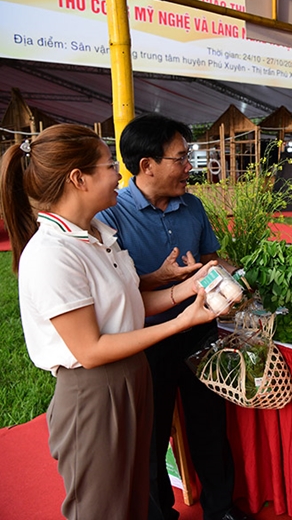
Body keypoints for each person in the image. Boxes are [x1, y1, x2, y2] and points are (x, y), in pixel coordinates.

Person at [0, 125, 223, 519]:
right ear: (78, 179)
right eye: (108, 166)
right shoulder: (53, 253)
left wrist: (186, 290)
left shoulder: (97, 233)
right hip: (94, 391)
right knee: (103, 508)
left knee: (134, 499)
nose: (118, 174)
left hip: (130, 375)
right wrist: (179, 323)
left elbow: (128, 301)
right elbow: (90, 349)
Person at [96, 114, 250, 520]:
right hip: (145, 341)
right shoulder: (111, 216)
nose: (190, 168)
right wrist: (158, 279)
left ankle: (221, 510)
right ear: (147, 165)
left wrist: (229, 285)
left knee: (210, 427)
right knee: (150, 439)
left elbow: (209, 262)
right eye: (181, 159)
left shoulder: (192, 206)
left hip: (201, 335)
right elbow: (113, 293)